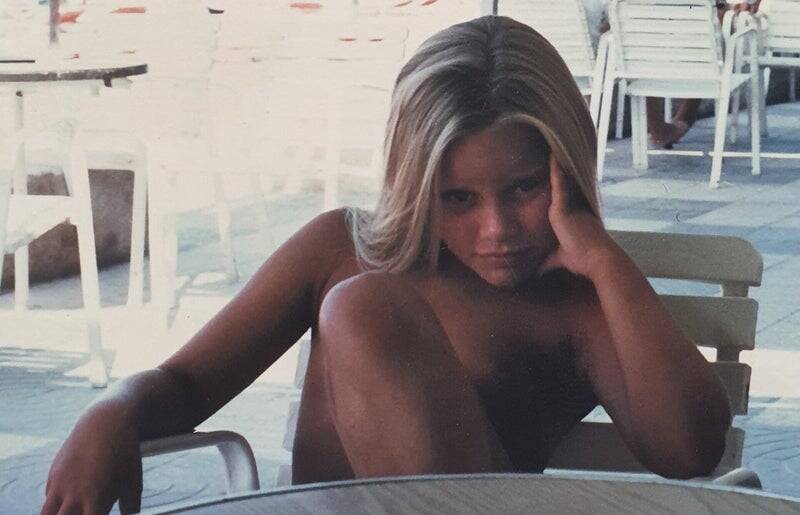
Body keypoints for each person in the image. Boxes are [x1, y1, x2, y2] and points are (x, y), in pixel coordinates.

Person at [42, 15, 733, 515]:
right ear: (415, 186)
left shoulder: (574, 302)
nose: (496, 229)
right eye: (458, 198)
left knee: (362, 304)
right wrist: (113, 410)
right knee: (363, 297)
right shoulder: (339, 249)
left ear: (567, 169)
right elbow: (188, 382)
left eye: (524, 188)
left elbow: (691, 450)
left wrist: (607, 264)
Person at [647, 0, 764, 146]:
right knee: (717, 23)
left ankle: (659, 127)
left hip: (643, 65)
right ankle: (683, 116)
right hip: (696, 57)